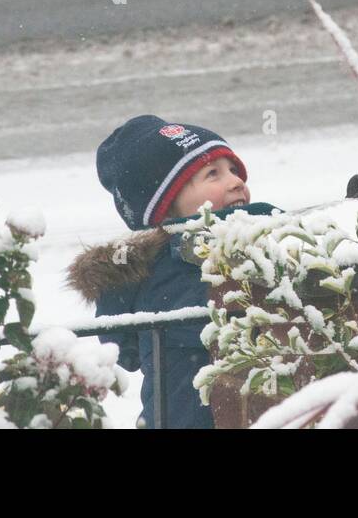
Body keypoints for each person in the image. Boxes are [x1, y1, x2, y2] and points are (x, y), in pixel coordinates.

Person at [67, 115, 277, 428]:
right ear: (166, 207)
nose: (236, 181)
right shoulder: (173, 269)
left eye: (233, 170)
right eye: (213, 174)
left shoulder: (259, 243)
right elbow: (227, 321)